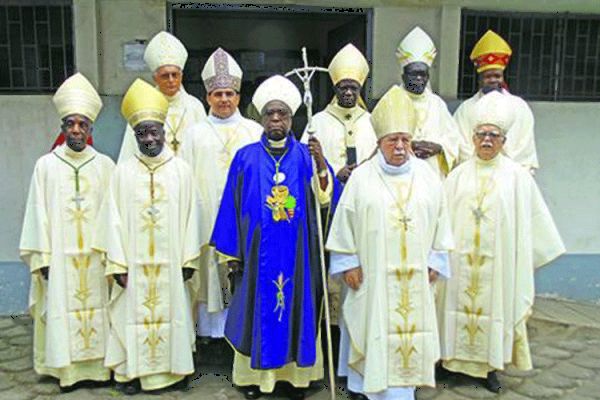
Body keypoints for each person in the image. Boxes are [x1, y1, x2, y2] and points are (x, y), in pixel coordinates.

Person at [210, 75, 341, 400]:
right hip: (256, 258)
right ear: (261, 118)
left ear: (292, 117)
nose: (276, 119)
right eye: (270, 114)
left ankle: (296, 380)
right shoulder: (245, 157)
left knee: (298, 309)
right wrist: (231, 256)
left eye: (282, 113)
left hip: (300, 255)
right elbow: (231, 206)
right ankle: (258, 380)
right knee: (256, 312)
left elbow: (326, 200)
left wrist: (322, 164)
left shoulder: (305, 156)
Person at [326, 85, 454, 400]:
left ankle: (402, 389)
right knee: (370, 326)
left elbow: (441, 221)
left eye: (405, 140)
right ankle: (363, 385)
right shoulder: (362, 177)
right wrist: (347, 262)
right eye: (392, 140)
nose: (399, 147)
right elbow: (344, 223)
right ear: (380, 142)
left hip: (415, 276)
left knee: (408, 334)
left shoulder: (427, 177)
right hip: (371, 274)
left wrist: (436, 261)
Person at [438, 91, 565, 392]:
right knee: (452, 304)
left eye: (493, 135)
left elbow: (533, 226)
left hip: (499, 267)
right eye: (481, 134)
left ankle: (489, 369)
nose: (486, 140)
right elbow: (440, 221)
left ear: (504, 141)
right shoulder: (456, 177)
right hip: (459, 266)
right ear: (472, 137)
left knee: (494, 309)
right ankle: (450, 363)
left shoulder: (518, 179)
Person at [96, 79, 202, 394]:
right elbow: (111, 220)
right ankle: (132, 372)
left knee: (175, 314)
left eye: (155, 130)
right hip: (134, 266)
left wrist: (188, 258)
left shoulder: (181, 170)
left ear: (164, 132)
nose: (150, 138)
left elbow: (190, 217)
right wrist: (117, 265)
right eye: (142, 132)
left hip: (172, 265)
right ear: (135, 136)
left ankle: (176, 370)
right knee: (132, 315)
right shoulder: (123, 172)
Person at [20, 73, 114, 391]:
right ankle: (67, 372)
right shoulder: (45, 166)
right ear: (63, 128)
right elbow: (37, 214)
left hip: (96, 258)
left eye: (82, 124)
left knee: (100, 310)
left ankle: (100, 370)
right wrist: (43, 257)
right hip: (59, 258)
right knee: (62, 307)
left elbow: (113, 217)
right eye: (70, 124)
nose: (76, 129)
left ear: (90, 129)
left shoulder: (105, 166)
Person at [180, 47, 262, 344]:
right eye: (218, 94)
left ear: (239, 97)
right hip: (205, 220)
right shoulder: (193, 134)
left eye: (229, 94)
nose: (224, 99)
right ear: (208, 97)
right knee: (208, 279)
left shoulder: (254, 131)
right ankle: (208, 335)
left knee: (239, 277)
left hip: (242, 222)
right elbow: (184, 180)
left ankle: (238, 337)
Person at [454, 30, 538, 173]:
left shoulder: (519, 107)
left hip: (511, 175)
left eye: (497, 76)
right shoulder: (465, 109)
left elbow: (524, 145)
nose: (493, 80)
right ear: (479, 78)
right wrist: (481, 163)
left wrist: (501, 164)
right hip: (473, 173)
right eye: (488, 76)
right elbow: (461, 145)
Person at [117, 31, 206, 163]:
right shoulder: (142, 107)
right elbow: (130, 153)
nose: (171, 80)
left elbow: (203, 150)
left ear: (181, 76)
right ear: (155, 78)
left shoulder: (194, 106)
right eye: (165, 75)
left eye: (175, 75)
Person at [303, 43, 377, 185]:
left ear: (360, 90)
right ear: (335, 89)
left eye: (353, 88)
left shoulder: (371, 121)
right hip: (331, 192)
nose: (348, 92)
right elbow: (306, 159)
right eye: (343, 88)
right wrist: (335, 171)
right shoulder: (318, 122)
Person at [396, 26, 461, 177]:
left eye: (423, 74)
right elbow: (379, 140)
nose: (419, 79)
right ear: (403, 76)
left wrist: (438, 148)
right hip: (399, 172)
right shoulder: (392, 101)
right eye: (414, 74)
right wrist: (407, 146)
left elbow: (453, 140)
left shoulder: (437, 104)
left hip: (431, 172)